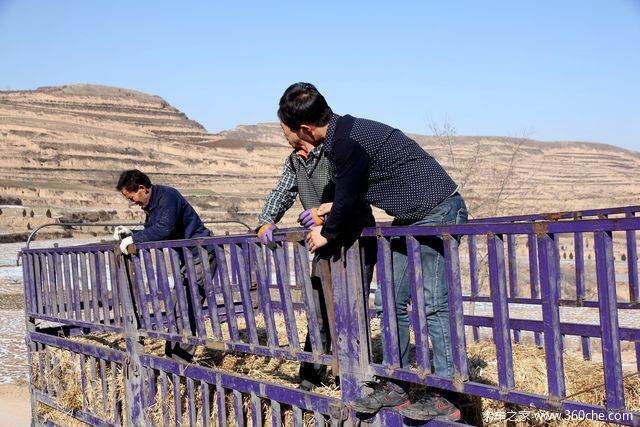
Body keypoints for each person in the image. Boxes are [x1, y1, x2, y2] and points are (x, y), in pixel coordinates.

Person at [277, 83, 468, 421]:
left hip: (438, 210)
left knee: (433, 302)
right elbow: (351, 191)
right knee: (389, 299)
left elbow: (348, 199)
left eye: (286, 131)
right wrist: (330, 209)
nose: (287, 138)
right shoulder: (343, 136)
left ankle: (447, 393)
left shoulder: (346, 143)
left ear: (304, 128)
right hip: (410, 217)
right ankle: (396, 383)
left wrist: (326, 233)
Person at [256, 126, 376, 391]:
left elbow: (351, 194)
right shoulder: (295, 160)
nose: (282, 133)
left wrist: (325, 216)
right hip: (322, 243)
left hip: (352, 239)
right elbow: (282, 192)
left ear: (300, 128)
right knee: (317, 307)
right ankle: (312, 372)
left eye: (285, 128)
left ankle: (356, 378)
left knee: (351, 310)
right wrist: (266, 220)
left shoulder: (332, 153)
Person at [114, 169, 217, 362]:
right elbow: (154, 229)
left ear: (142, 188)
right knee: (178, 304)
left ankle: (179, 362)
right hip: (187, 256)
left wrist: (133, 239)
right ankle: (173, 358)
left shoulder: (167, 197)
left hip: (200, 253)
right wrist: (132, 233)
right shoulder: (154, 203)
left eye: (131, 197)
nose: (132, 202)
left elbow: (164, 229)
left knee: (186, 305)